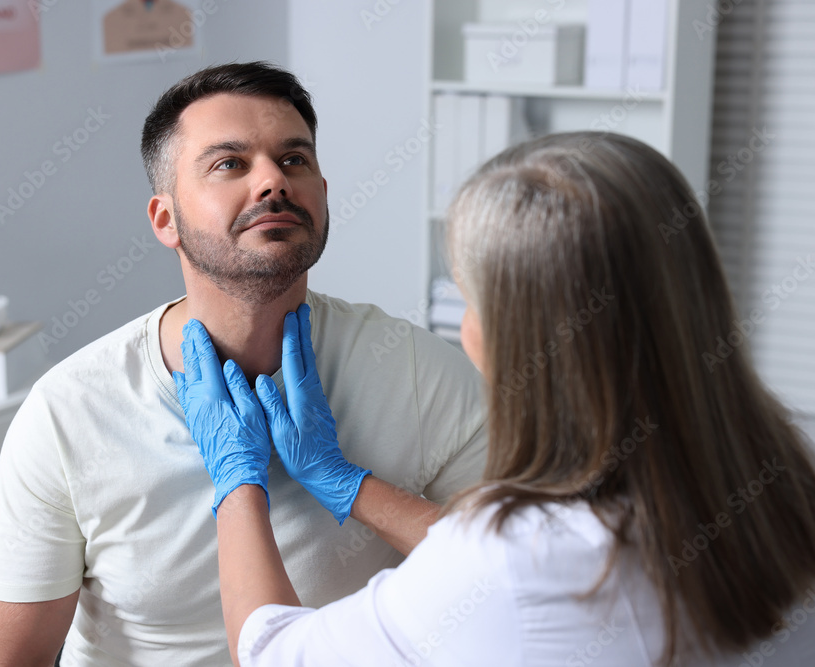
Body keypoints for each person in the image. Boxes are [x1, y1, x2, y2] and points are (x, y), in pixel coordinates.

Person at [175, 132, 815, 666]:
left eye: (470, 299)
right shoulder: (779, 482)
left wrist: (237, 482)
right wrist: (342, 480)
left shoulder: (514, 560)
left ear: (521, 336)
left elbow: (275, 654)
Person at [0, 62, 488, 666]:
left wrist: (347, 484)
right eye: (229, 164)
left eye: (294, 159)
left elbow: (514, 579)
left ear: (322, 192)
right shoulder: (70, 411)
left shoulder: (416, 370)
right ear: (166, 220)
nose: (272, 180)